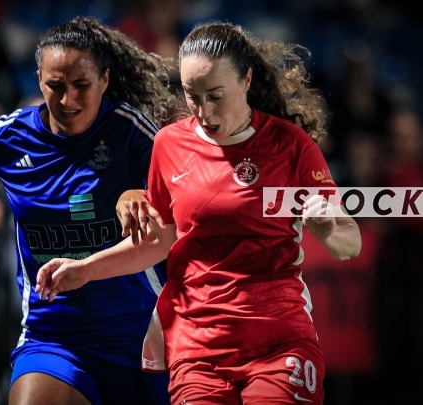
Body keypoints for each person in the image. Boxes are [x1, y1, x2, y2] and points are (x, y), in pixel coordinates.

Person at [35, 21, 362, 405]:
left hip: (278, 340)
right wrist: (86, 268)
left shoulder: (291, 144)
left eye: (215, 96)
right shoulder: (169, 144)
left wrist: (328, 227)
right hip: (198, 349)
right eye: (193, 96)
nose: (204, 111)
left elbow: (348, 244)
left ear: (246, 80)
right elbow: (159, 239)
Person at [0, 16, 177, 405]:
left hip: (139, 335)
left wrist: (141, 193)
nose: (68, 100)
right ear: (39, 79)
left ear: (104, 80)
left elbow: (180, 202)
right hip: (53, 338)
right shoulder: (4, 139)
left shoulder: (131, 131)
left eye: (81, 85)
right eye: (55, 85)